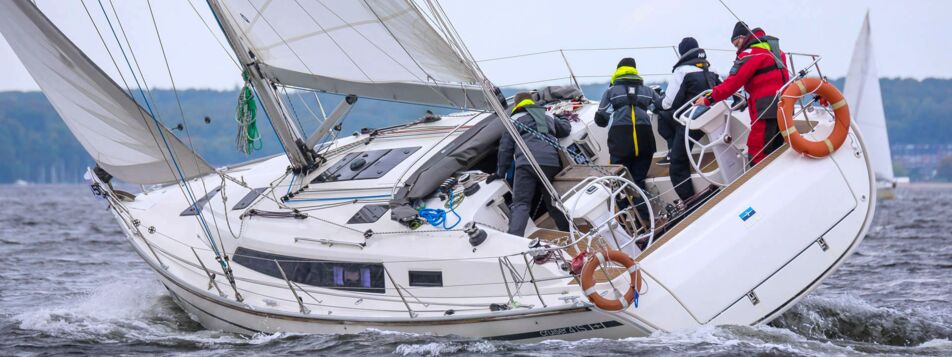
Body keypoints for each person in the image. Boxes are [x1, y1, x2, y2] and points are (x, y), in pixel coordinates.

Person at [696, 22, 788, 164]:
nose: (737, 48)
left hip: (764, 108)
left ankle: (759, 182)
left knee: (757, 152)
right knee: (777, 149)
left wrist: (708, 99)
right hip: (785, 106)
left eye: (736, 44)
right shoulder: (778, 52)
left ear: (742, 38)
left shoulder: (749, 55)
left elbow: (731, 84)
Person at [496, 92, 571, 236]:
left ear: (517, 104)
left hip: (526, 164)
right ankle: (569, 233)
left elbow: (505, 148)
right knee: (554, 203)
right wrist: (562, 117)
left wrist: (500, 172)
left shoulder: (513, 119)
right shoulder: (546, 115)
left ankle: (514, 242)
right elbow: (565, 130)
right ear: (532, 102)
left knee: (521, 204)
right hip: (550, 163)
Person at [595, 58, 661, 221]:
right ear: (635, 71)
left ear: (618, 71)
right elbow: (660, 107)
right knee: (638, 180)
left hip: (621, 142)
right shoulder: (647, 90)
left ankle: (624, 221)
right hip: (645, 140)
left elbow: (600, 119)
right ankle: (646, 218)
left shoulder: (610, 92)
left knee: (618, 183)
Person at [662, 37, 721, 202]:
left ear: (682, 53)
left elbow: (668, 104)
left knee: (677, 161)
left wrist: (657, 102)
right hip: (717, 116)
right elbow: (724, 90)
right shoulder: (713, 69)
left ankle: (690, 201)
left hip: (694, 121)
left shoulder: (682, 71)